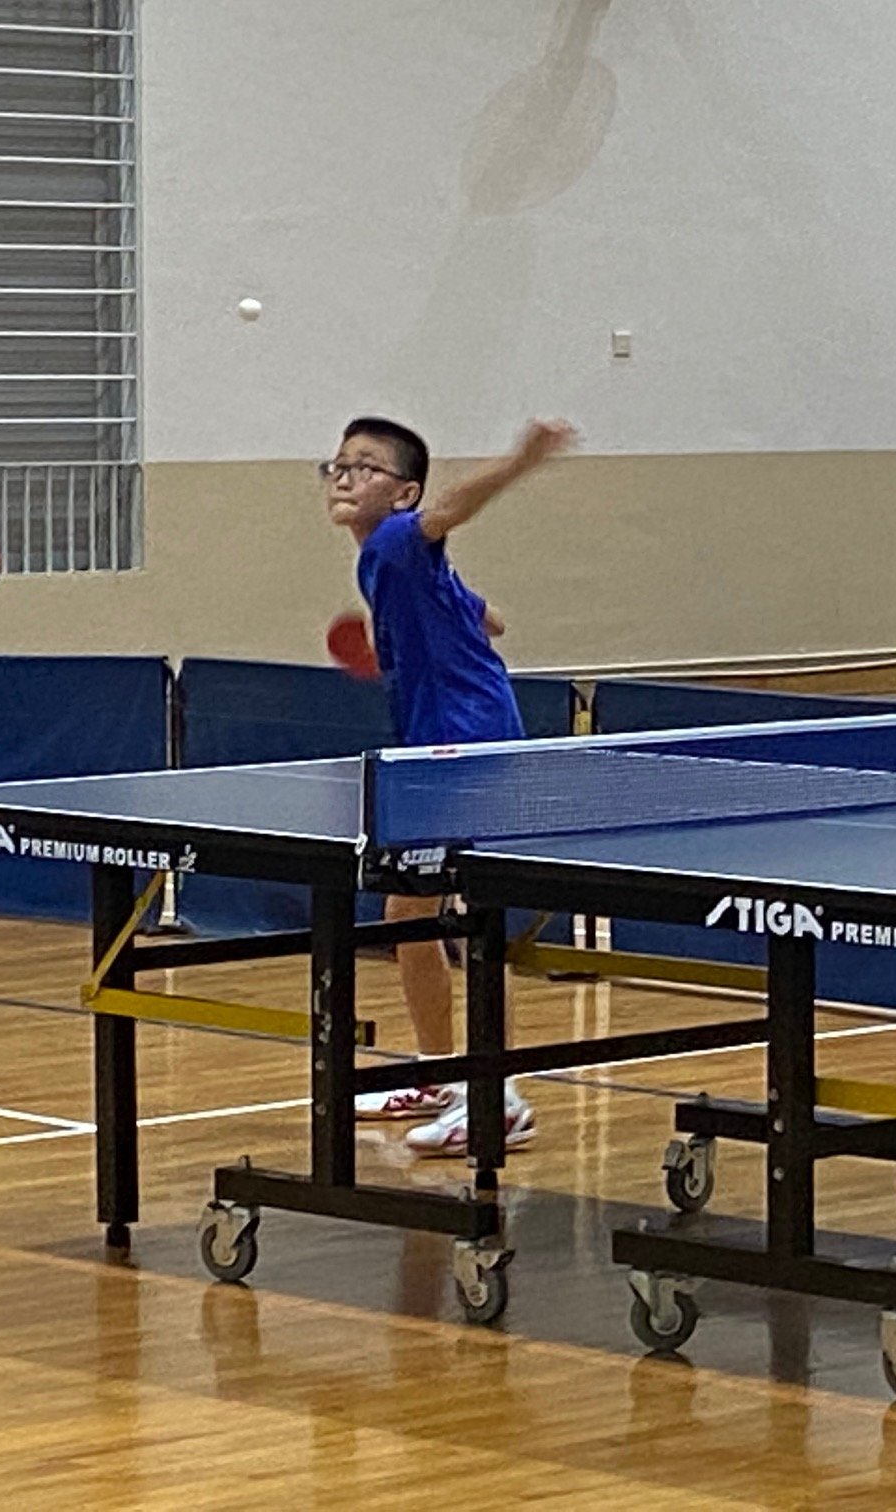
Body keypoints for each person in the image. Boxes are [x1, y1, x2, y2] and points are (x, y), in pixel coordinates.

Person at [325, 412, 575, 1157]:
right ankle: (444, 1074)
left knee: (429, 912)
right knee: (411, 917)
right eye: (336, 463)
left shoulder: (402, 538)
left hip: (466, 748)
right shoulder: (388, 560)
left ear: (402, 495)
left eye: (364, 466)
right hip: (439, 746)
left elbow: (452, 509)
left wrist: (521, 460)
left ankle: (496, 1096)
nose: (342, 474)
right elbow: (490, 618)